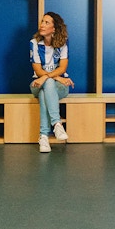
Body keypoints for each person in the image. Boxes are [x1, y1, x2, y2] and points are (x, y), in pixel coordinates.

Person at [30, 12, 74, 153]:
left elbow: (63, 67)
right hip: (37, 85)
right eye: (42, 21)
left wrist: (47, 77)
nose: (42, 25)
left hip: (59, 87)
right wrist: (55, 77)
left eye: (47, 22)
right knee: (45, 85)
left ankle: (43, 137)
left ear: (54, 28)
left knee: (45, 90)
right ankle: (56, 123)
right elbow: (37, 70)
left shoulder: (63, 42)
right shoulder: (34, 43)